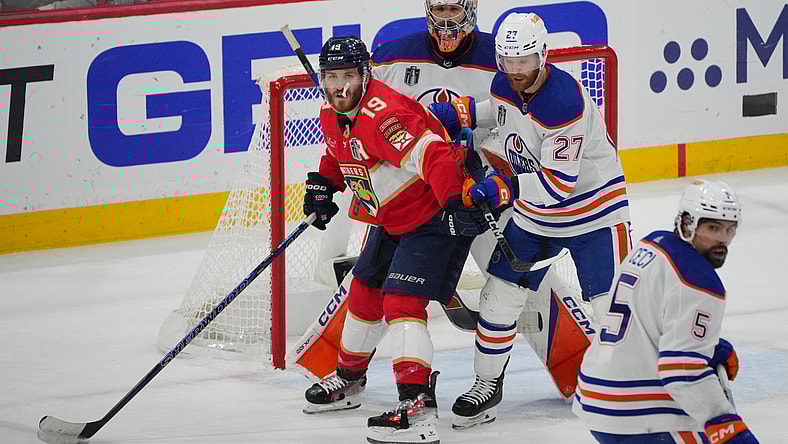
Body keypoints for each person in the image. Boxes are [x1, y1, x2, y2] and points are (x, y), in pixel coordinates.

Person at [429, 12, 632, 429]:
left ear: (542, 55)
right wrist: (466, 113)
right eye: (507, 61)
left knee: (610, 307)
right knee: (499, 296)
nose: (514, 72)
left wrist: (505, 188)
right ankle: (487, 385)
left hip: (594, 213)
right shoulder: (504, 81)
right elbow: (500, 111)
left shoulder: (564, 103)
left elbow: (558, 184)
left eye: (523, 62)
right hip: (538, 216)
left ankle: (634, 386)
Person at [299, 0, 500, 415]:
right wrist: (324, 186)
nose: (340, 86)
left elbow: (436, 155)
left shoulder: (384, 116)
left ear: (366, 75)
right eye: (332, 77)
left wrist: (452, 202)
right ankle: (350, 378)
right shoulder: (332, 109)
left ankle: (417, 401)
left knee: (401, 302)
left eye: (349, 76)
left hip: (431, 218)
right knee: (364, 291)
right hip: (391, 217)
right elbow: (341, 152)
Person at [573, 179, 758, 444]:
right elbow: (682, 372)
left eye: (729, 229)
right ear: (686, 224)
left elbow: (650, 320)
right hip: (640, 414)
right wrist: (724, 424)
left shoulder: (652, 245)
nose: (722, 239)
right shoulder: (697, 279)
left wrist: (705, 346)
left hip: (597, 397)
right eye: (713, 227)